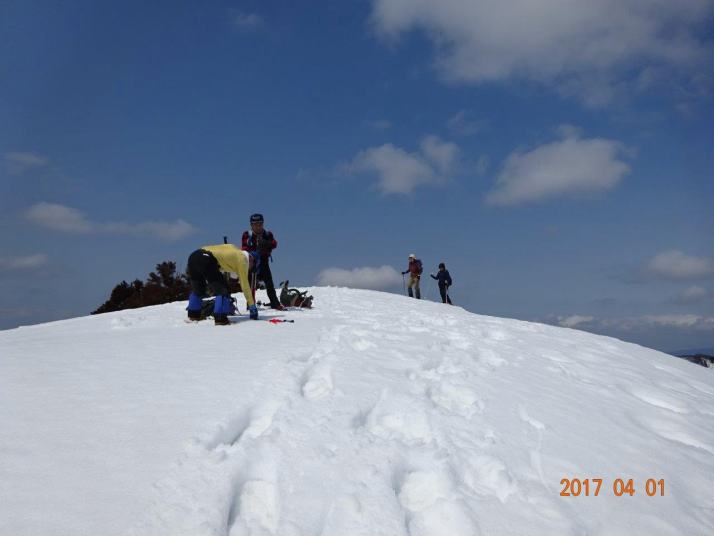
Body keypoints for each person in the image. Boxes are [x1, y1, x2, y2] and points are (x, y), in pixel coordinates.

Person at [186, 243, 258, 325]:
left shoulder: (233, 250)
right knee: (223, 290)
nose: (250, 269)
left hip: (193, 257)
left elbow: (230, 272)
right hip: (206, 259)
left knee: (199, 288)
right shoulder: (243, 259)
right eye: (252, 267)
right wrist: (251, 305)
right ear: (251, 259)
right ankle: (220, 318)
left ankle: (194, 315)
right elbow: (245, 285)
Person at [242, 213, 283, 310]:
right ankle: (251, 305)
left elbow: (274, 243)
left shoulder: (267, 234)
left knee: (269, 284)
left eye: (260, 224)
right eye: (255, 224)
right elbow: (244, 249)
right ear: (251, 225)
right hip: (252, 262)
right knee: (251, 285)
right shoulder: (247, 235)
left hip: (264, 262)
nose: (258, 226)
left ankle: (275, 303)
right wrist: (254, 252)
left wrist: (266, 244)